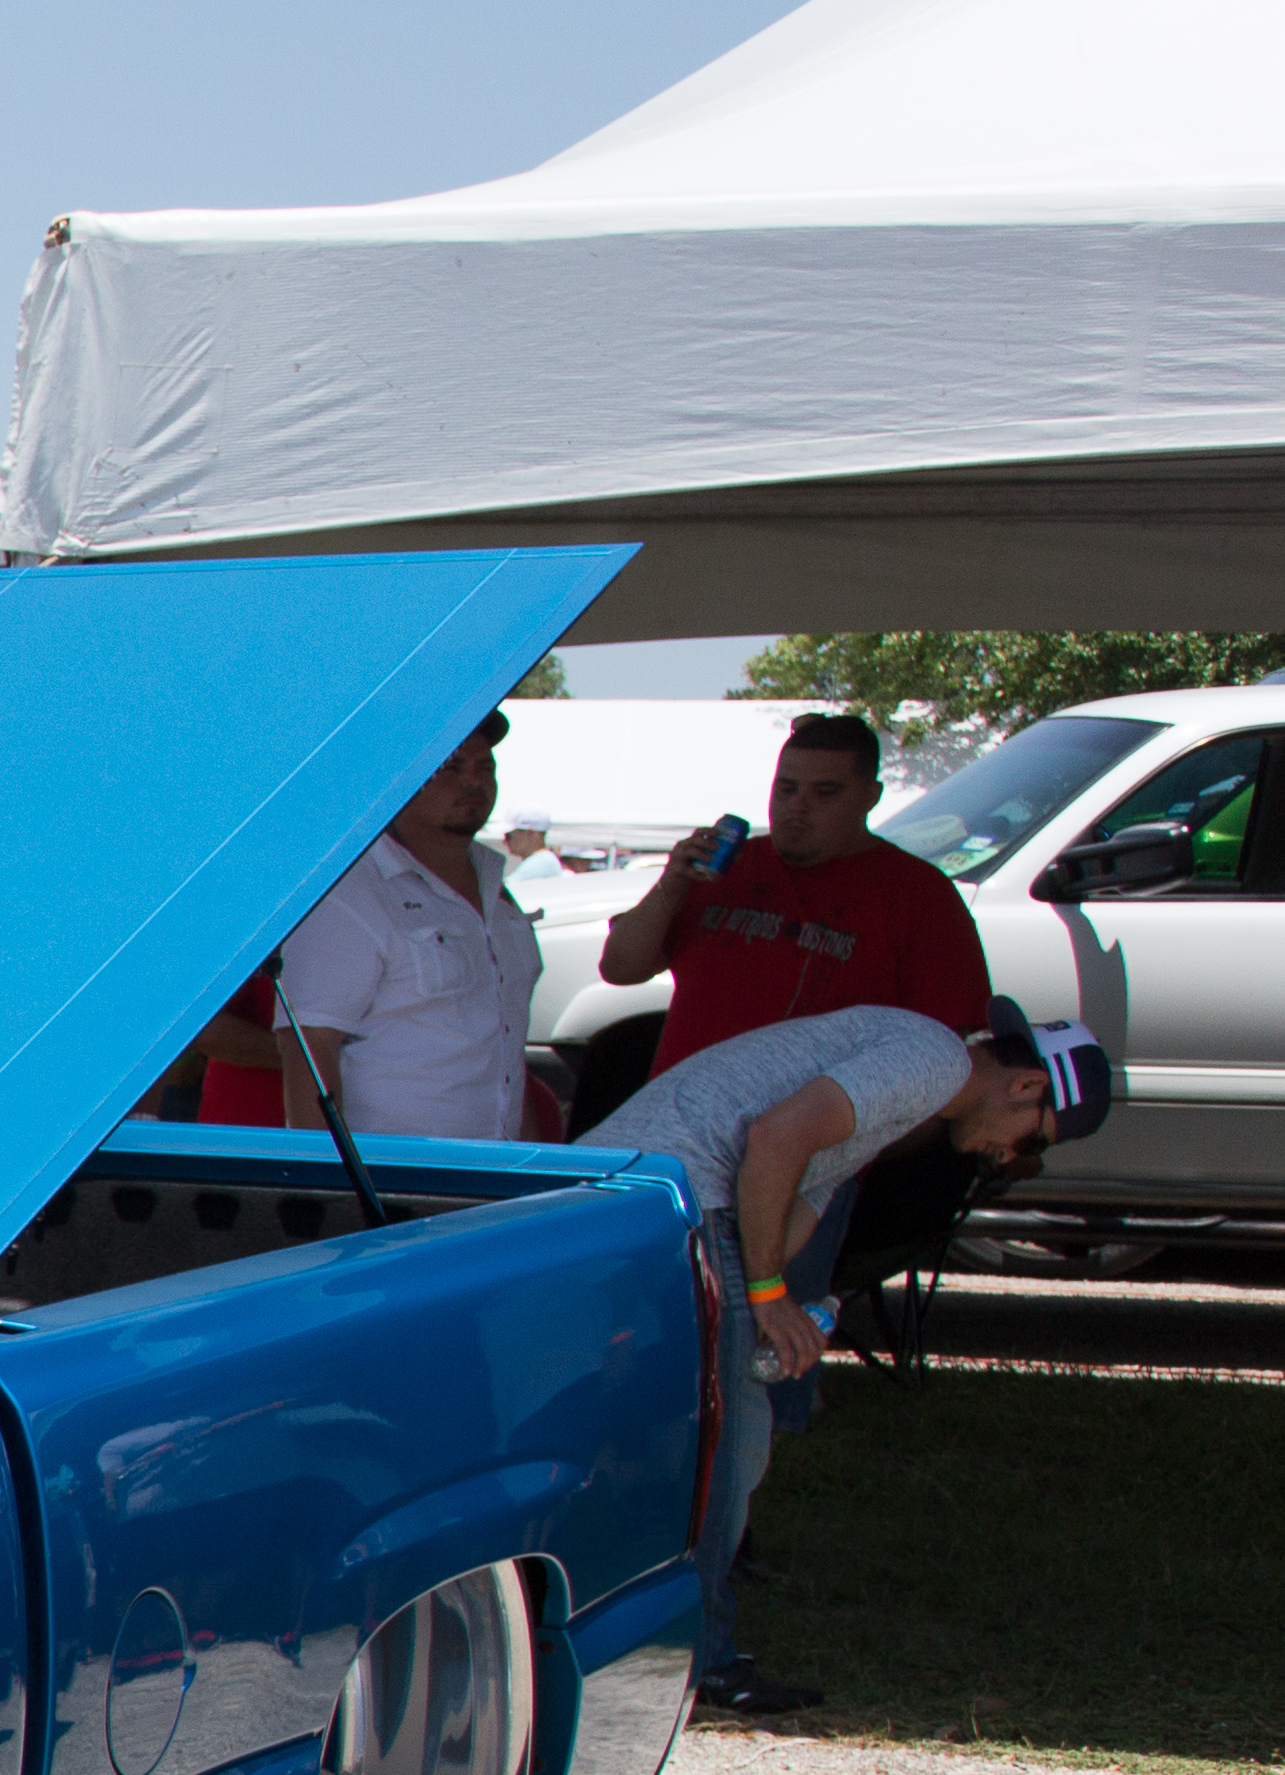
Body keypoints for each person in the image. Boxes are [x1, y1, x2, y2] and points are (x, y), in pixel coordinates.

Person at [577, 999, 1088, 1718]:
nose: (1008, 1158)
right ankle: (697, 1662)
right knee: (718, 1445)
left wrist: (786, 1312)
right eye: (1031, 1141)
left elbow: (801, 1185)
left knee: (731, 1435)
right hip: (674, 1190)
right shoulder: (933, 1059)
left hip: (675, 1190)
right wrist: (763, 1294)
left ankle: (656, 1646)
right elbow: (775, 1138)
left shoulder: (915, 1081)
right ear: (1028, 1087)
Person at [266, 713, 541, 1143]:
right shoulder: (349, 891)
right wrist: (326, 1183)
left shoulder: (495, 887)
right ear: (398, 777)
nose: (474, 782)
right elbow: (309, 1047)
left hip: (493, 1172)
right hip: (393, 1181)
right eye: (451, 767)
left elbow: (505, 1049)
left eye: (485, 767)